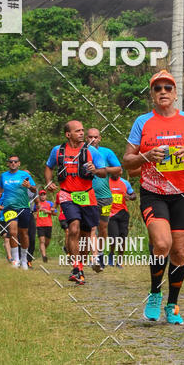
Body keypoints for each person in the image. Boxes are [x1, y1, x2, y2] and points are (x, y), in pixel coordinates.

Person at [122, 69, 184, 325]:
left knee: (180, 252)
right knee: (161, 244)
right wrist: (145, 157)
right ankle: (154, 293)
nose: (163, 92)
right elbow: (127, 161)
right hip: (154, 192)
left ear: (175, 94)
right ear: (151, 94)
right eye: (157, 88)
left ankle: (172, 304)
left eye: (167, 88)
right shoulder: (142, 122)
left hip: (183, 194)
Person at [45, 120, 106, 285]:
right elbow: (49, 166)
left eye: (82, 130)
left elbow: (102, 172)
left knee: (86, 235)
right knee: (73, 228)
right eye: (77, 131)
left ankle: (81, 267)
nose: (81, 133)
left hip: (87, 195)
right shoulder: (57, 151)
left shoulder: (91, 151)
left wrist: (96, 170)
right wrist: (49, 182)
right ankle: (76, 267)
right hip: (67, 194)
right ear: (68, 134)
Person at [86, 127, 122, 269]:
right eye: (90, 137)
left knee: (103, 227)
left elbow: (119, 169)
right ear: (86, 138)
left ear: (100, 138)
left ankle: (100, 253)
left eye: (95, 137)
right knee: (90, 227)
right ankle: (93, 256)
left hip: (105, 197)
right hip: (87, 196)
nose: (93, 139)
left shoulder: (107, 152)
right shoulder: (81, 152)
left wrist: (101, 170)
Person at [0, 155, 36, 270]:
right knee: (13, 232)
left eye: (15, 162)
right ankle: (16, 260)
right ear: (8, 164)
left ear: (19, 163)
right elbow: (0, 189)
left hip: (24, 207)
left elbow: (34, 190)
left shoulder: (24, 175)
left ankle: (24, 259)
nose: (13, 163)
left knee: (24, 233)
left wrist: (29, 186)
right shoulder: (3, 176)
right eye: (11, 162)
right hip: (10, 208)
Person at [107, 174, 135, 266]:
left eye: (119, 170)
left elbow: (133, 195)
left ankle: (119, 260)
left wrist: (130, 197)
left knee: (122, 238)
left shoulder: (125, 182)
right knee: (114, 237)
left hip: (123, 213)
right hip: (110, 213)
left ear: (120, 172)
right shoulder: (106, 182)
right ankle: (111, 254)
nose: (117, 172)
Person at [34, 188, 57, 263]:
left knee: (47, 242)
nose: (43, 196)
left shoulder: (50, 203)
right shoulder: (37, 204)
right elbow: (33, 212)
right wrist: (34, 216)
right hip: (39, 225)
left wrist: (48, 211)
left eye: (44, 195)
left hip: (48, 224)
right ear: (39, 196)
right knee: (42, 241)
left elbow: (55, 213)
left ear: (46, 196)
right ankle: (44, 256)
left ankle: (43, 251)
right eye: (41, 195)